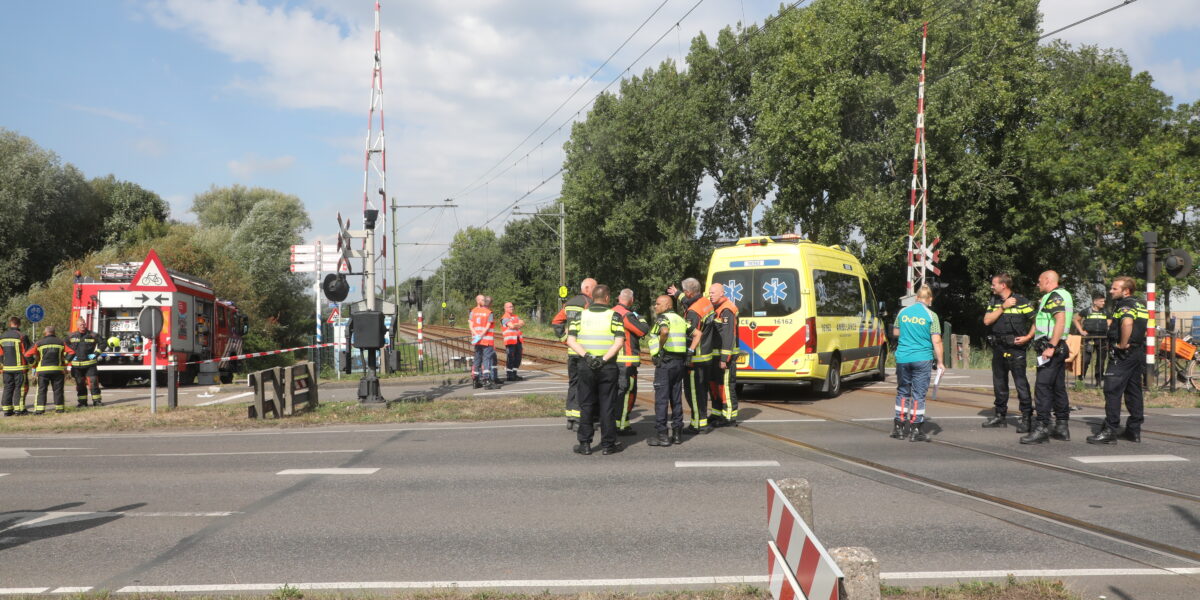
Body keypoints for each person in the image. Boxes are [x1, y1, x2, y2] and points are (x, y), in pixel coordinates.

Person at [565, 284, 625, 456]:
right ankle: (608, 444)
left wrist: (587, 356)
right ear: (607, 298)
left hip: (586, 365)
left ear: (592, 297)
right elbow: (619, 341)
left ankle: (584, 444)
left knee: (586, 404)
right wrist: (603, 359)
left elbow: (570, 340)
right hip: (607, 366)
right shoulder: (615, 316)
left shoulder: (579, 316)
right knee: (607, 405)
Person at [1087, 277, 1148, 444]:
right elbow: (1143, 328)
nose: (1110, 291)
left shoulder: (1124, 304)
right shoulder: (1140, 304)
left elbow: (1127, 323)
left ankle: (1110, 431)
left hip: (1123, 355)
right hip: (1137, 353)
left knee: (1112, 391)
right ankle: (1133, 431)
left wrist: (1121, 344)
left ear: (1126, 291)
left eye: (1114, 289)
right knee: (1133, 391)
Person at [1020, 270, 1073, 444]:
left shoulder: (1054, 297)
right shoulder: (1062, 294)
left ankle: (1042, 426)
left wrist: (1051, 346)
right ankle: (1062, 426)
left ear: (1048, 280)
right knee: (1058, 387)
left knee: (1042, 387)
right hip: (1058, 347)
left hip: (1051, 347)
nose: (1037, 284)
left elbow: (1060, 320)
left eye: (1039, 281)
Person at [981, 274, 1035, 431]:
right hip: (998, 347)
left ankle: (1026, 418)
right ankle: (999, 416)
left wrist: (1028, 337)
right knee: (999, 383)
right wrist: (1003, 307)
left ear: (1003, 285)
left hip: (1016, 348)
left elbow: (1037, 321)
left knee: (1020, 383)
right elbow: (987, 320)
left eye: (994, 284)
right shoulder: (995, 302)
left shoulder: (1021, 301)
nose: (992, 287)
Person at [890, 285, 944, 442]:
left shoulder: (903, 312)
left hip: (903, 358)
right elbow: (937, 340)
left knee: (902, 392)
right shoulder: (931, 316)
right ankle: (915, 428)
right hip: (922, 358)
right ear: (930, 299)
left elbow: (895, 332)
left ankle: (899, 426)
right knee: (918, 394)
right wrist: (940, 362)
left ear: (916, 298)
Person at [552, 278, 595, 430]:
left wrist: (565, 339)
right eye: (595, 288)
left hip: (572, 350)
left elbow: (556, 321)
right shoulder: (589, 304)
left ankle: (570, 417)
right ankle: (579, 419)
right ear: (588, 288)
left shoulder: (569, 304)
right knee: (585, 385)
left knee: (573, 383)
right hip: (584, 351)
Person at [647, 294, 688, 446]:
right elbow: (698, 334)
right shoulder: (680, 319)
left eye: (658, 304)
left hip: (665, 362)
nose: (655, 306)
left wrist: (659, 349)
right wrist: (689, 352)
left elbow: (664, 332)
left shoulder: (662, 318)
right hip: (679, 362)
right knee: (676, 399)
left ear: (667, 305)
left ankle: (662, 435)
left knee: (662, 400)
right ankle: (677, 434)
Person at [612, 289, 651, 435]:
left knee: (615, 393)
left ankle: (617, 423)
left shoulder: (611, 312)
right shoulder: (626, 315)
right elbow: (642, 330)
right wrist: (640, 318)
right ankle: (621, 425)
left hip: (612, 360)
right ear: (631, 300)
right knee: (627, 393)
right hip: (626, 362)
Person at [679, 278, 714, 433]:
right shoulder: (706, 303)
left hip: (695, 357)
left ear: (689, 292)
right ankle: (703, 421)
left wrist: (686, 354)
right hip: (706, 355)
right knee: (701, 391)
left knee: (692, 391)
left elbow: (691, 335)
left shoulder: (693, 312)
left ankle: (697, 424)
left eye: (684, 292)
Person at [707, 282, 740, 426]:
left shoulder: (727, 309)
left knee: (726, 387)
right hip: (715, 355)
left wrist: (724, 358)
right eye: (710, 293)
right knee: (715, 385)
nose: (710, 295)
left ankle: (729, 417)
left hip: (724, 357)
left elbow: (728, 336)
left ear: (722, 293)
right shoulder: (716, 308)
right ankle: (716, 413)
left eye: (713, 293)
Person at [24, 325, 74, 414]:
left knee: (41, 390)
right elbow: (72, 352)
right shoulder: (61, 342)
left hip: (43, 370)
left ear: (45, 332)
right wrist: (65, 362)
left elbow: (27, 354)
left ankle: (39, 410)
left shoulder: (39, 343)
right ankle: (60, 409)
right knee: (58, 390)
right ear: (54, 333)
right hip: (58, 370)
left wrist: (34, 364)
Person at [1073, 292, 1110, 384]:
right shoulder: (1086, 311)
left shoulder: (1106, 312)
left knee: (1101, 361)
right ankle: (1080, 379)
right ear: (1095, 302)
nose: (1103, 303)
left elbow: (1110, 322)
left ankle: (1098, 381)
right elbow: (1076, 319)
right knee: (1085, 360)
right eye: (1101, 301)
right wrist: (1081, 331)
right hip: (1089, 339)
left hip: (1102, 339)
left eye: (1104, 301)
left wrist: (1107, 328)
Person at [66, 318, 103, 407]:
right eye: (81, 324)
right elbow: (64, 346)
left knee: (93, 383)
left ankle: (97, 401)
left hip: (90, 364)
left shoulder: (92, 335)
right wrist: (69, 356)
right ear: (77, 326)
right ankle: (82, 402)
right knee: (80, 384)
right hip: (76, 365)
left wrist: (96, 353)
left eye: (84, 324)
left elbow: (103, 343)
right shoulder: (71, 336)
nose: (83, 326)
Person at [1, 317, 33, 416]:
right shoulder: (22, 336)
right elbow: (27, 353)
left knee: (8, 388)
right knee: (21, 388)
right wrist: (32, 363)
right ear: (19, 324)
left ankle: (7, 410)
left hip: (7, 368)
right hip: (20, 368)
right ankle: (20, 410)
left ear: (10, 324)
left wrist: (3, 364)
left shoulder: (2, 337)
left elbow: (0, 354)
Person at [468, 295, 499, 390]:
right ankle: (487, 381)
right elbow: (488, 326)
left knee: (477, 359)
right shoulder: (489, 312)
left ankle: (475, 380)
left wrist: (476, 335)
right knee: (486, 360)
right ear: (490, 304)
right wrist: (481, 334)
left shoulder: (473, 311)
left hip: (477, 340)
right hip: (486, 340)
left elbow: (470, 325)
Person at [501, 302, 525, 382]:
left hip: (518, 340)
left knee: (518, 358)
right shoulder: (504, 318)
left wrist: (515, 325)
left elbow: (523, 323)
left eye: (512, 306)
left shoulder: (515, 316)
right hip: (510, 341)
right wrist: (517, 324)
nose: (512, 308)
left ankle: (514, 374)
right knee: (511, 358)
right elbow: (511, 326)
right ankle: (509, 375)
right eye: (510, 307)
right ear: (505, 308)